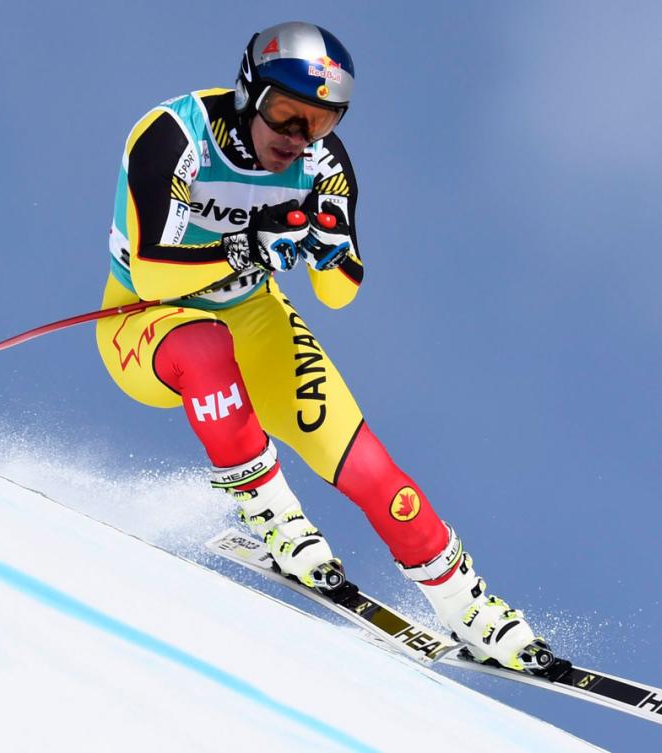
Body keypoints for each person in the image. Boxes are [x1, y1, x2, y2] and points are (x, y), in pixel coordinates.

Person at [95, 21, 552, 671]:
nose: (296, 137)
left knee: (370, 470)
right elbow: (153, 272)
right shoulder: (175, 134)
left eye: (318, 120)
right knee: (202, 346)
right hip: (144, 320)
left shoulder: (324, 163)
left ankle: (463, 601)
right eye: (285, 114)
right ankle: (271, 511)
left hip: (254, 317)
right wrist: (252, 243)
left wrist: (328, 249)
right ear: (249, 91)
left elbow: (338, 293)